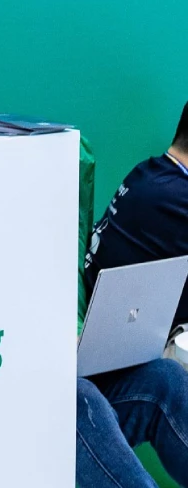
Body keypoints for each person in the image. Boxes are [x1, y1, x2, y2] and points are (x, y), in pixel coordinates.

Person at [75, 102, 188, 487]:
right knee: (79, 401)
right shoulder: (173, 197)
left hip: (102, 367)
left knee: (166, 378)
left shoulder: (152, 174)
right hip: (75, 392)